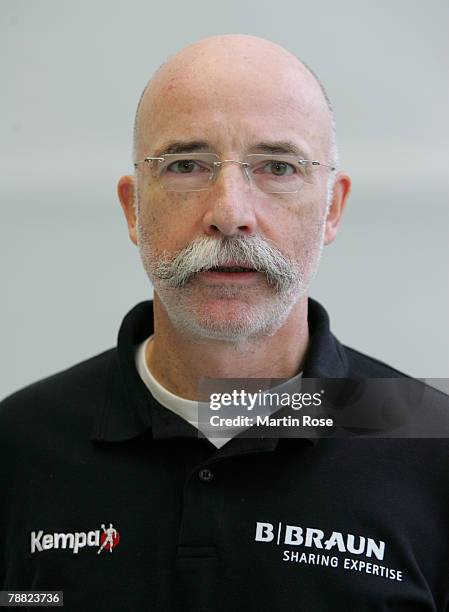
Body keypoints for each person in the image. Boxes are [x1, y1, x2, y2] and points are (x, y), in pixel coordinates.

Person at [1, 34, 448, 612]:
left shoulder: (433, 448)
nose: (230, 214)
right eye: (186, 165)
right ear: (132, 209)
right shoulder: (16, 446)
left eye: (278, 167)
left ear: (332, 208)